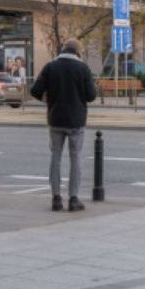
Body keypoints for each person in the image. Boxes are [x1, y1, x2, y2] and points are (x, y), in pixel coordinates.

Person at [30, 39, 96, 212]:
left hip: (55, 119)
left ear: (63, 50)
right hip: (76, 121)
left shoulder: (50, 67)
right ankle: (73, 199)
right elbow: (91, 96)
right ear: (78, 52)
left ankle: (56, 198)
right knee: (76, 159)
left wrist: (47, 98)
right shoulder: (83, 69)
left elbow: (34, 90)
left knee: (55, 157)